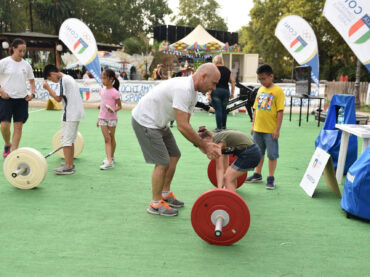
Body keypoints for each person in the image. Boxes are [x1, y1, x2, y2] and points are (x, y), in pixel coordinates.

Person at [131, 63, 222, 217]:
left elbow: (186, 122)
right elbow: (182, 126)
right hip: (145, 121)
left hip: (158, 122)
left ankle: (165, 194)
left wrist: (202, 143)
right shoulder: (184, 89)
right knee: (162, 162)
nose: (214, 88)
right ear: (203, 76)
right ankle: (155, 204)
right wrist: (205, 147)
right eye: (213, 83)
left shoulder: (193, 93)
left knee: (174, 155)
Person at [245, 64, 285, 189]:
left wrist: (277, 129)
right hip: (258, 129)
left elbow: (280, 111)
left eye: (264, 78)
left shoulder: (278, 91)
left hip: (270, 130)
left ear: (271, 76)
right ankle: (257, 174)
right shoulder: (260, 90)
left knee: (272, 155)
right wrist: (253, 125)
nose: (262, 81)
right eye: (260, 79)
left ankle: (270, 178)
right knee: (258, 153)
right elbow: (256, 109)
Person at [42, 64, 85, 175]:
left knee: (66, 140)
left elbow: (58, 99)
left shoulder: (63, 80)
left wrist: (48, 89)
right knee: (70, 140)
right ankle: (69, 163)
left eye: (50, 79)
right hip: (76, 113)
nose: (52, 81)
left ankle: (68, 167)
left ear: (52, 74)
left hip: (70, 113)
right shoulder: (69, 78)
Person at [0, 38, 36, 158]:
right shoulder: (4, 63)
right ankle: (7, 143)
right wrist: (1, 91)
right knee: (4, 125)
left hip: (22, 99)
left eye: (24, 51)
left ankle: (14, 152)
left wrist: (32, 93)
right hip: (6, 98)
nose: (22, 53)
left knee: (18, 126)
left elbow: (32, 81)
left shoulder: (26, 65)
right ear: (13, 49)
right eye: (20, 50)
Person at [197, 126, 261, 192]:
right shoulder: (221, 140)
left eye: (204, 144)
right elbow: (224, 167)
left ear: (208, 138)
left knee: (227, 178)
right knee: (230, 176)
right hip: (253, 152)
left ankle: (232, 200)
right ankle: (232, 194)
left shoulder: (217, 141)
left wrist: (219, 189)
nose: (204, 147)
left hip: (249, 153)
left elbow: (219, 168)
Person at [97, 68, 122, 170]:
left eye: (104, 78)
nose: (103, 80)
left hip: (112, 119)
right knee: (107, 139)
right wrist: (98, 118)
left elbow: (119, 106)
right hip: (103, 118)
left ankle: (111, 157)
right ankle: (109, 161)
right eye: (102, 78)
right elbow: (102, 106)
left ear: (111, 79)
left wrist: (113, 110)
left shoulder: (115, 92)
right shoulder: (101, 91)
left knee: (111, 138)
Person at [211, 55, 235, 130]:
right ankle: (224, 126)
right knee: (224, 109)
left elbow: (210, 82)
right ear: (222, 61)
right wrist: (232, 92)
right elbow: (233, 81)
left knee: (218, 109)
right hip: (225, 91)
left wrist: (209, 93)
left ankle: (218, 127)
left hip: (216, 91)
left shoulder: (213, 69)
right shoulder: (227, 70)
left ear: (214, 61)